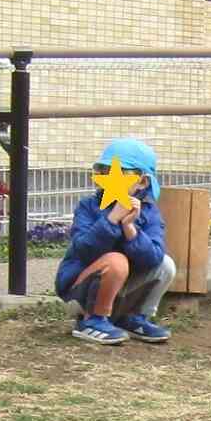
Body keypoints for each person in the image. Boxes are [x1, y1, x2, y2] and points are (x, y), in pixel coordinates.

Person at [54, 138, 174, 347]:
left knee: (166, 265)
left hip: (121, 291)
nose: (110, 177)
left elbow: (152, 259)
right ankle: (92, 319)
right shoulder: (88, 207)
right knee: (116, 261)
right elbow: (83, 251)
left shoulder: (150, 213)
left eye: (121, 173)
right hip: (81, 292)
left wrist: (130, 229)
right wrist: (111, 219)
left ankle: (134, 317)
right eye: (104, 170)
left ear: (143, 182)